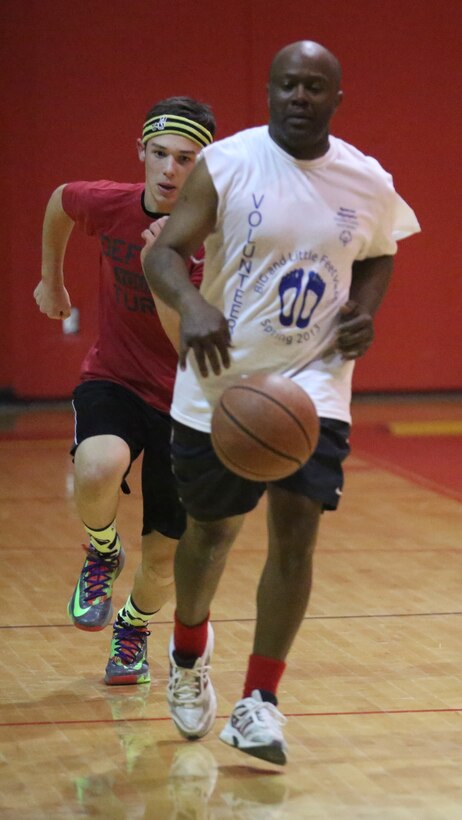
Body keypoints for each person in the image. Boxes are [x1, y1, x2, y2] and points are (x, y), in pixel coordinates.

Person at [141, 41, 420, 765]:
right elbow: (163, 253)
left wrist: (364, 307)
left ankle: (260, 701)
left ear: (336, 98)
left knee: (297, 533)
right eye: (288, 84)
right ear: (269, 91)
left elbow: (383, 249)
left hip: (314, 384)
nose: (299, 96)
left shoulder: (365, 178)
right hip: (221, 386)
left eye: (314, 86)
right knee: (210, 535)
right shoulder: (228, 164)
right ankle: (188, 651)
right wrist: (192, 307)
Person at [33, 96, 216, 686]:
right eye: (159, 154)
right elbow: (61, 200)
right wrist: (51, 278)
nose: (168, 170)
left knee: (163, 561)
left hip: (187, 402)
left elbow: (188, 341)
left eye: (185, 159)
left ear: (205, 168)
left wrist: (156, 267)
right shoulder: (110, 204)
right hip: (115, 376)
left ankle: (133, 626)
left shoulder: (214, 240)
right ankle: (102, 550)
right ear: (140, 152)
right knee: (96, 466)